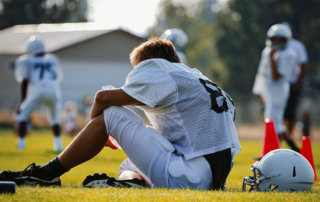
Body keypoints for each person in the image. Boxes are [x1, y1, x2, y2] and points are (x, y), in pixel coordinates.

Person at [0, 37, 241, 190]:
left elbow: (103, 99)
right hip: (209, 175)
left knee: (112, 113)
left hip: (190, 176)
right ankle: (132, 184)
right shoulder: (196, 76)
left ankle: (45, 174)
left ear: (148, 62)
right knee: (129, 163)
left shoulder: (158, 67)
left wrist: (100, 127)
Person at [252, 24, 300, 152]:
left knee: (273, 125)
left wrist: (273, 59)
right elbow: (264, 76)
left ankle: (274, 152)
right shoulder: (267, 51)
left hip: (279, 93)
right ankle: (295, 149)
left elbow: (276, 77)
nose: (277, 42)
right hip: (270, 93)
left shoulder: (289, 55)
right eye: (275, 39)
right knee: (275, 124)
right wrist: (263, 94)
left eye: (280, 40)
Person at [14, 35, 63, 151]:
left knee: (22, 115)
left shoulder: (26, 60)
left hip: (37, 90)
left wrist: (23, 100)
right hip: (53, 90)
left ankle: (21, 144)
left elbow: (24, 81)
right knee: (55, 118)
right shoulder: (52, 59)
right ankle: (58, 145)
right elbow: (57, 76)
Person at [281, 22, 308, 135]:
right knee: (278, 113)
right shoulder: (275, 46)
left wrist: (298, 82)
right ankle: (278, 136)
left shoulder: (297, 46)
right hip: (278, 84)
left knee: (290, 113)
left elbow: (303, 65)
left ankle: (289, 135)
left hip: (292, 83)